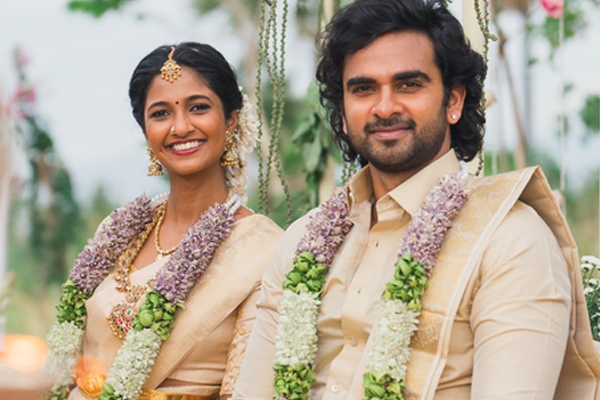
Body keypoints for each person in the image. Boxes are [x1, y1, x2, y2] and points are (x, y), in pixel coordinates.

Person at [232, 0, 600, 399]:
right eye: (363, 89)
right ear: (342, 111)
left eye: (408, 85)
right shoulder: (303, 242)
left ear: (454, 101)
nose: (385, 107)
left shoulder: (511, 241)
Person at [43, 42, 282, 400]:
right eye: (160, 113)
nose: (180, 127)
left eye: (198, 107)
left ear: (231, 119)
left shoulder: (262, 250)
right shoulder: (119, 232)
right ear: (145, 130)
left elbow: (248, 390)